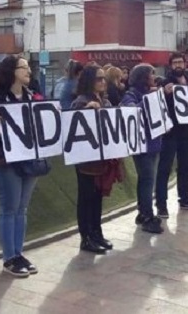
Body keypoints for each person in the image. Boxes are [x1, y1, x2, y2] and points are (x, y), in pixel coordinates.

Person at [0, 56, 41, 277]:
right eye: (24, 67)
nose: (29, 71)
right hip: (5, 161)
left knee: (22, 208)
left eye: (29, 67)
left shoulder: (32, 96)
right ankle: (9, 258)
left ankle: (18, 253)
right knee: (9, 208)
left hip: (29, 160)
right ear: (11, 71)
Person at [71, 64, 121, 253]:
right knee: (86, 197)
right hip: (85, 159)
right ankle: (86, 237)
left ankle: (96, 233)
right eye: (98, 79)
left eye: (103, 78)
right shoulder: (81, 101)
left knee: (97, 196)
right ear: (89, 81)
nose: (102, 82)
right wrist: (85, 110)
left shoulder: (105, 101)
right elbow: (73, 125)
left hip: (102, 157)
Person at [155, 53, 188, 217]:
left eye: (180, 62)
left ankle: (185, 199)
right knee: (164, 168)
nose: (178, 65)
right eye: (175, 62)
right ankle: (161, 204)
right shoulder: (164, 83)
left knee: (186, 167)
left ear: (185, 64)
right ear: (170, 65)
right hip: (170, 132)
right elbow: (156, 103)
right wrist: (163, 92)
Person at [119, 63, 164, 234]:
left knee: (148, 180)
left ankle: (143, 212)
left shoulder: (149, 93)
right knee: (147, 180)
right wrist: (148, 100)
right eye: (151, 74)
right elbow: (131, 112)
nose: (154, 77)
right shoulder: (131, 94)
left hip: (154, 143)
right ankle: (146, 215)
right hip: (142, 145)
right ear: (143, 77)